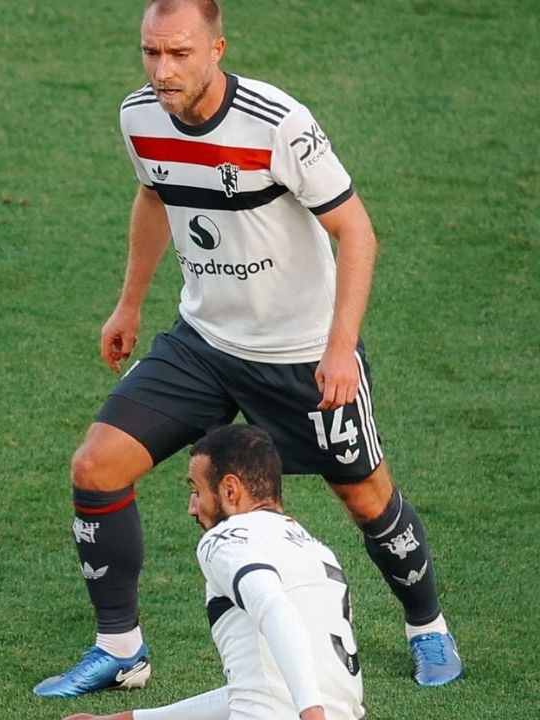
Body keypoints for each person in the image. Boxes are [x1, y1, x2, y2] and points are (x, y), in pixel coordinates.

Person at [33, 0, 461, 697]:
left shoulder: (276, 123)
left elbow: (357, 232)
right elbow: (154, 196)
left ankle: (427, 626)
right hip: (204, 342)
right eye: (151, 53)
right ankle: (122, 650)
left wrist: (339, 348)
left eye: (179, 54)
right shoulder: (139, 115)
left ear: (216, 48)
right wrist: (132, 301)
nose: (162, 71)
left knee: (364, 494)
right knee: (96, 466)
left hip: (299, 351)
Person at [62, 425, 365, 720]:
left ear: (230, 491)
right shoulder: (316, 551)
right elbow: (249, 695)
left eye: (197, 490)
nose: (192, 508)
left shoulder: (228, 537)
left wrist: (311, 712)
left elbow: (275, 608)